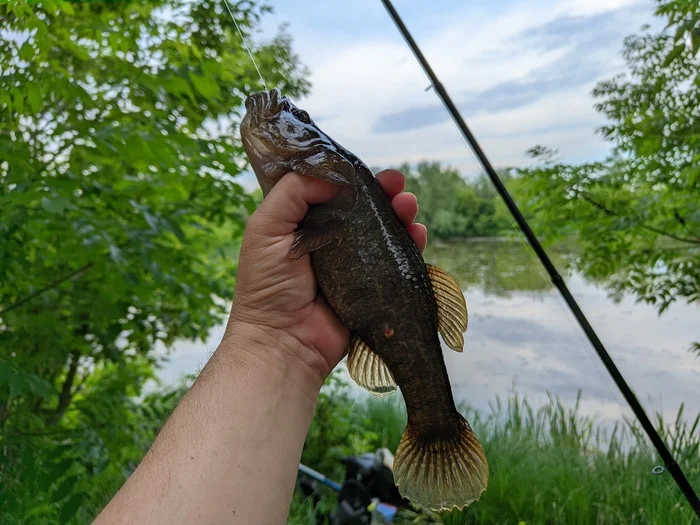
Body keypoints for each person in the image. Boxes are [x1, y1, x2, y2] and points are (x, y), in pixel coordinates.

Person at [93, 169, 427, 524]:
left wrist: (275, 342)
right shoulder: (327, 181)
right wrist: (274, 337)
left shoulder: (331, 178)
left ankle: (432, 425)